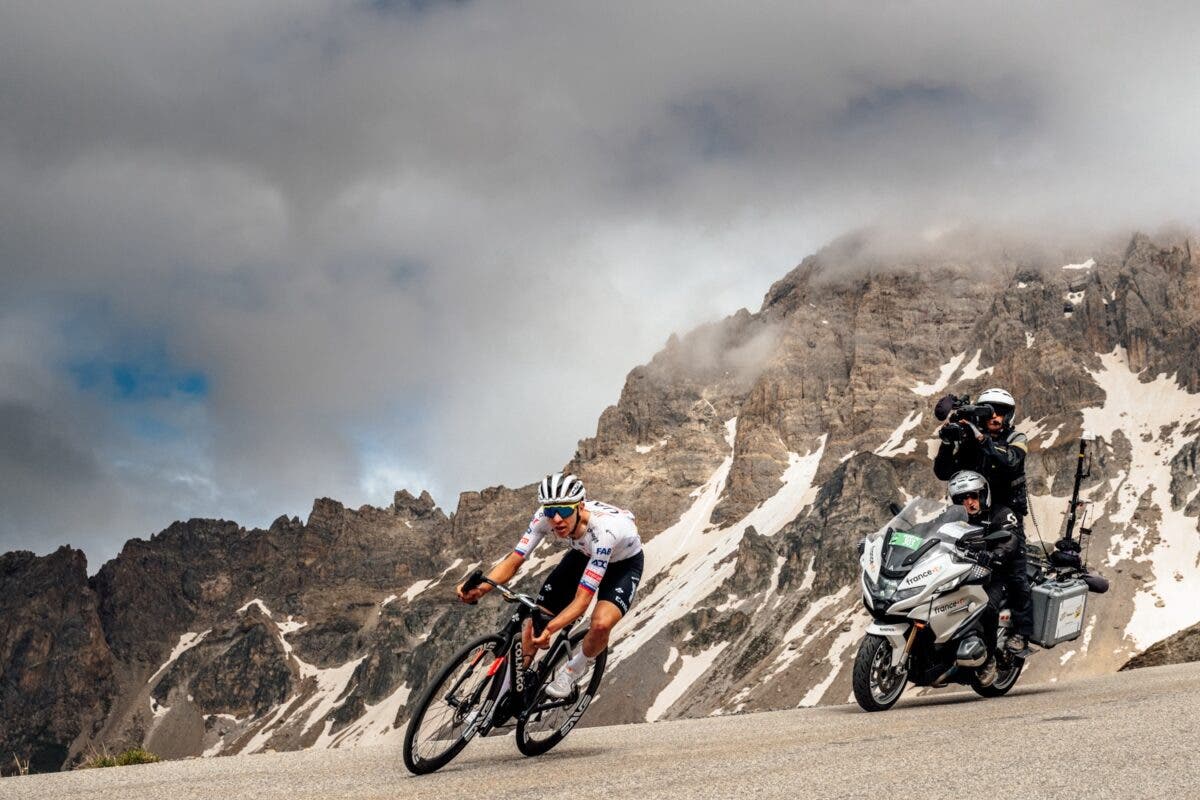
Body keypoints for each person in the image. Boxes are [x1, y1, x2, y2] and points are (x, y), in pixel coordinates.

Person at [456, 472, 643, 699]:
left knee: (602, 624)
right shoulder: (544, 517)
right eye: (550, 511)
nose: (556, 519)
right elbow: (515, 560)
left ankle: (574, 669)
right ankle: (500, 698)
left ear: (580, 507)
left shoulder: (604, 532)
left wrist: (551, 628)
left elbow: (582, 601)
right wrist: (482, 589)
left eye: (564, 511)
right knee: (535, 623)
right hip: (582, 554)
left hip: (623, 565)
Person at [933, 387, 1033, 652]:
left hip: (1006, 514)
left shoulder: (1016, 437)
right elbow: (943, 472)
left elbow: (1011, 461)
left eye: (1001, 412)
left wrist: (981, 439)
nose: (995, 416)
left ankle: (1022, 633)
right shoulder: (969, 438)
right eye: (989, 410)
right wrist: (947, 442)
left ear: (1009, 415)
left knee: (1015, 574)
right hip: (970, 511)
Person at [947, 470, 1021, 685]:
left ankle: (988, 659)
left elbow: (1011, 538)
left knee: (985, 606)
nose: (968, 503)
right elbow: (934, 533)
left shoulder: (1001, 513)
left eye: (973, 496)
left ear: (983, 495)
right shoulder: (952, 517)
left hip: (995, 575)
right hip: (961, 572)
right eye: (961, 499)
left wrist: (996, 553)